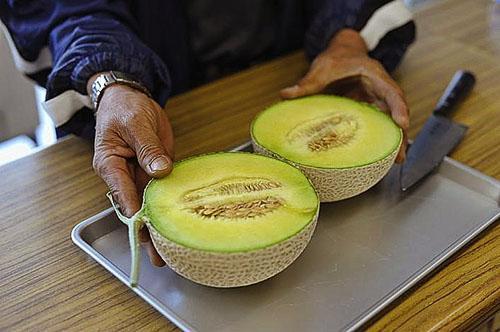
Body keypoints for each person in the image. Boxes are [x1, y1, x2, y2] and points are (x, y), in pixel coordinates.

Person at [1, 0, 415, 265]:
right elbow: (62, 9)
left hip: (285, 78)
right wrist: (108, 80)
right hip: (147, 112)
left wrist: (346, 38)